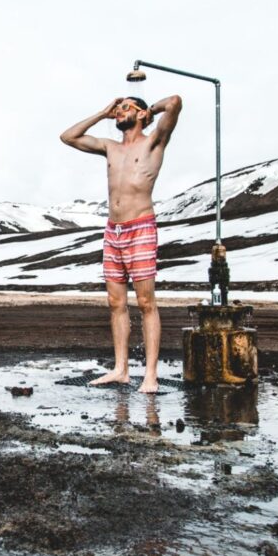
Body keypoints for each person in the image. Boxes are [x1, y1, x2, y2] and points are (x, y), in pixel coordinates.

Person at [60, 90, 182, 391]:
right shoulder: (110, 147)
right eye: (117, 109)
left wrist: (150, 110)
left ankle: (150, 375)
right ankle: (121, 369)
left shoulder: (154, 141)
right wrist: (103, 113)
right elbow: (68, 137)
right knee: (116, 303)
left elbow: (175, 101)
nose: (119, 112)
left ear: (140, 114)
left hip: (140, 226)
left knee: (145, 302)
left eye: (125, 108)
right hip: (113, 231)